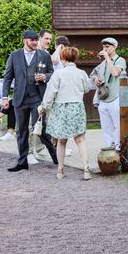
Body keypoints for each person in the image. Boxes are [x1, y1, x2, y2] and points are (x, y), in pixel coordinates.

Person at [1, 29, 58, 171]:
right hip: (19, 99)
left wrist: (45, 77)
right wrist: (4, 97)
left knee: (41, 128)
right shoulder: (14, 55)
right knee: (22, 130)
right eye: (32, 40)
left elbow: (52, 73)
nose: (35, 43)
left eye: (36, 40)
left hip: (37, 98)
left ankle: (54, 154)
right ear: (24, 40)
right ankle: (22, 162)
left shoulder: (44, 55)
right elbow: (8, 77)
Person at [40, 47, 91, 180]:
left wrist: (44, 107)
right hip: (77, 107)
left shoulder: (58, 74)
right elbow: (87, 88)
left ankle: (60, 169)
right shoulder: (82, 73)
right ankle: (86, 169)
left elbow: (51, 92)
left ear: (62, 59)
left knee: (61, 141)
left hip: (61, 107)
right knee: (80, 139)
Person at [91, 37, 127, 148]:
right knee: (106, 127)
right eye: (103, 47)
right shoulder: (102, 64)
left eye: (107, 47)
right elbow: (93, 74)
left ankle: (118, 149)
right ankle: (109, 149)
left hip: (115, 98)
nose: (104, 49)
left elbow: (115, 73)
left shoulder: (120, 60)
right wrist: (95, 79)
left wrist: (107, 58)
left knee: (117, 126)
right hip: (103, 98)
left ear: (114, 47)